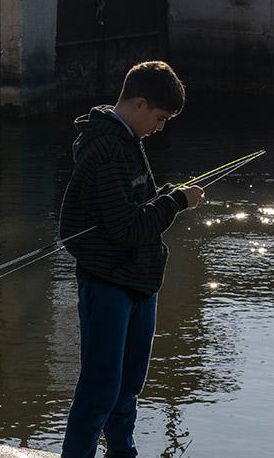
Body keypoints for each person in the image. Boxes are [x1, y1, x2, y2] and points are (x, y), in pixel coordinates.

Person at [57, 60, 202, 458]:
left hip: (138, 280)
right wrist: (176, 202)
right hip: (107, 282)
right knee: (100, 388)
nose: (161, 127)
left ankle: (122, 452)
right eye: (160, 118)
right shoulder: (106, 149)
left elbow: (133, 205)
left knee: (128, 386)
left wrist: (167, 195)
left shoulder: (127, 140)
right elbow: (126, 228)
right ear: (139, 104)